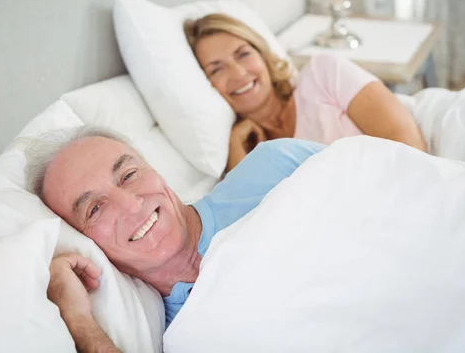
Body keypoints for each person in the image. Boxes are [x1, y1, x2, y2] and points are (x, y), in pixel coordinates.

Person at [25, 125, 324, 353]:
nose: (131, 205)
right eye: (95, 209)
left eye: (129, 175)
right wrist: (78, 322)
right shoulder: (173, 337)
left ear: (154, 169)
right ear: (83, 241)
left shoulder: (276, 167)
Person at [184, 14, 427, 171]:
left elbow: (406, 144)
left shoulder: (323, 73)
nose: (238, 73)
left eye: (243, 54)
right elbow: (244, 220)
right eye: (216, 69)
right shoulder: (250, 156)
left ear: (263, 55)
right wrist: (236, 143)